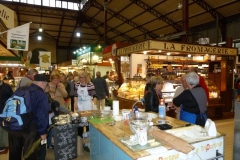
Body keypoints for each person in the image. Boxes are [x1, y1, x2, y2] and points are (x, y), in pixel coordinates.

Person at [8, 74, 49, 160]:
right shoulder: (41, 94)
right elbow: (42, 114)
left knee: (14, 154)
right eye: (46, 84)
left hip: (14, 125)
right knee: (30, 154)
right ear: (42, 83)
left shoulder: (20, 89)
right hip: (30, 128)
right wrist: (42, 132)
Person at [74, 71, 97, 152]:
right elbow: (76, 95)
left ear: (86, 77)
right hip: (80, 105)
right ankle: (80, 139)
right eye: (80, 77)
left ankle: (87, 141)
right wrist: (75, 104)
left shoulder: (90, 84)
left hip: (88, 105)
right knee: (80, 122)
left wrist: (94, 106)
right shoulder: (77, 84)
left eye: (83, 77)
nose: (81, 79)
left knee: (87, 123)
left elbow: (94, 96)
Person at [0, 76, 13, 153]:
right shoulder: (6, 86)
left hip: (3, 111)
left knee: (2, 128)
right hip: (3, 111)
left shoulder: (6, 87)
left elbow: (11, 98)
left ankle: (2, 145)